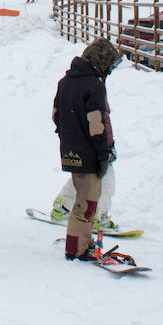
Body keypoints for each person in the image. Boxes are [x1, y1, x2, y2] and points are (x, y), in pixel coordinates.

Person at [51, 37, 119, 261]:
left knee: (82, 200)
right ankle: (77, 250)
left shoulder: (65, 81)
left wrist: (69, 138)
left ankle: (79, 244)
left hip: (70, 148)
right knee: (87, 204)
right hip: (89, 151)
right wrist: (103, 153)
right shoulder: (93, 85)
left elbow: (56, 115)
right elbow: (96, 124)